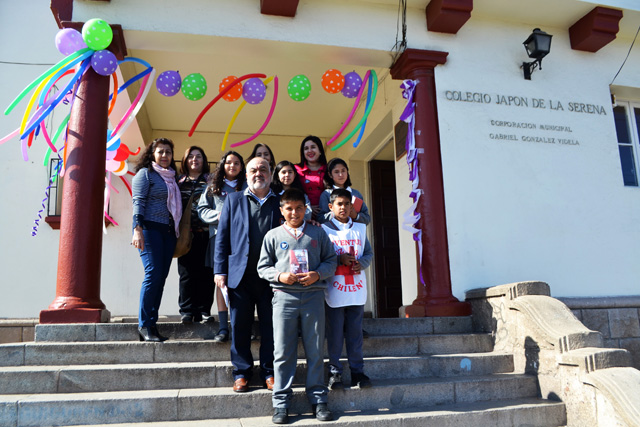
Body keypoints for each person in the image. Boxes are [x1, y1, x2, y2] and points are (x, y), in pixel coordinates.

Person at [258, 188, 337, 424]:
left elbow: (331, 261)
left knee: (315, 350)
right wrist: (279, 276)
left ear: (306, 209)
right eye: (289, 209)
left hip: (313, 297)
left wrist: (317, 274)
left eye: (299, 208)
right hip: (284, 298)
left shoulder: (317, 233)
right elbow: (263, 267)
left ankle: (319, 400)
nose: (294, 213)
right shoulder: (272, 235)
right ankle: (281, 403)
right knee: (283, 352)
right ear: (281, 211)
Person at [214, 157, 281, 392]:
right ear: (247, 175)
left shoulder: (280, 202)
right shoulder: (233, 200)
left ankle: (269, 372)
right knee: (240, 327)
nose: (258, 173)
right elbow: (222, 237)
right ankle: (241, 373)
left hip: (271, 278)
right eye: (253, 170)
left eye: (263, 169)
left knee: (270, 328)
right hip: (239, 276)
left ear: (270, 174)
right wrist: (219, 270)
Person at [321, 188, 374, 390]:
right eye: (339, 204)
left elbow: (368, 253)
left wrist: (362, 263)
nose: (343, 208)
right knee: (335, 334)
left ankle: (357, 372)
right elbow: (321, 257)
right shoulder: (324, 229)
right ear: (330, 207)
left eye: (347, 204)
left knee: (355, 334)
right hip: (335, 288)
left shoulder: (359, 228)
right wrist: (338, 259)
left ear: (352, 207)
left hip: (356, 287)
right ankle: (334, 371)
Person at [131, 137, 182, 342]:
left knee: (161, 278)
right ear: (152, 154)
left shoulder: (172, 178)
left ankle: (152, 325)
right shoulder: (145, 174)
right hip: (149, 229)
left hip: (168, 232)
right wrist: (137, 229)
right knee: (153, 275)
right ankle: (144, 324)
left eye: (168, 152)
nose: (164, 155)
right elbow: (138, 202)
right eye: (160, 151)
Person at [197, 151, 246, 341]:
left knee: (241, 282)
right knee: (221, 281)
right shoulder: (213, 186)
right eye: (228, 162)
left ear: (241, 167)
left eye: (236, 163)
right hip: (218, 238)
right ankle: (223, 327)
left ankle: (241, 326)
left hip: (242, 241)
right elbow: (202, 210)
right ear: (223, 165)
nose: (232, 166)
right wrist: (218, 216)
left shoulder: (247, 186)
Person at [176, 146, 212, 324]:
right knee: (186, 274)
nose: (195, 159)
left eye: (199, 156)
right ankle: (187, 311)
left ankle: (204, 310)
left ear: (204, 160)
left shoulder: (210, 181)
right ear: (185, 160)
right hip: (185, 235)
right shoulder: (178, 181)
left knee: (206, 273)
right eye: (191, 156)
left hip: (206, 234)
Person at [318, 158, 370, 225]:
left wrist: (356, 216)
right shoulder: (327, 194)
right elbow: (321, 219)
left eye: (343, 171)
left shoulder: (356, 193)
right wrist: (336, 212)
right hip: (335, 231)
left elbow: (367, 219)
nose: (341, 175)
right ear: (330, 175)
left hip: (354, 230)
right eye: (336, 172)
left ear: (347, 172)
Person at [295, 136, 327, 218]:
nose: (309, 151)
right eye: (306, 148)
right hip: (302, 214)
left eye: (313, 147)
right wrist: (308, 208)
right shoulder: (296, 170)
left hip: (326, 214)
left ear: (320, 150)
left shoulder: (329, 169)